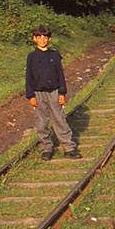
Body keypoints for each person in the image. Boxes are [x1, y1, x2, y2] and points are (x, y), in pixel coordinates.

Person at [25, 24, 82, 161]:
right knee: (42, 122)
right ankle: (46, 148)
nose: (42, 39)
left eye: (45, 37)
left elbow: (60, 75)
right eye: (39, 37)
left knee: (59, 119)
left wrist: (62, 92)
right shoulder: (31, 57)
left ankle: (69, 147)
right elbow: (29, 76)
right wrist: (30, 95)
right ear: (34, 39)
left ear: (49, 39)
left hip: (54, 92)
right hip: (39, 93)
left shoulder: (55, 55)